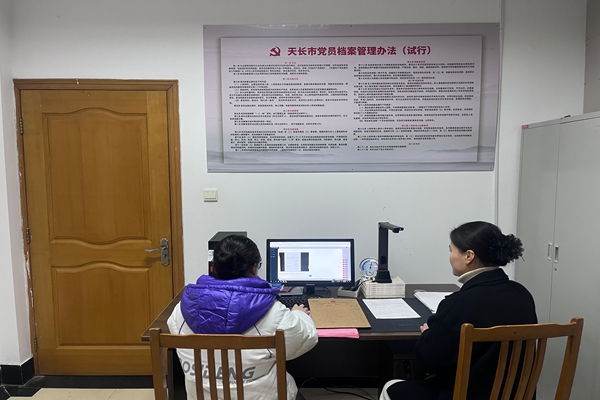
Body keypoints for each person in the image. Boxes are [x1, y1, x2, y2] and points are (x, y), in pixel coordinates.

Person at [381, 221, 537, 400]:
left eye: (451, 250)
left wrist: (428, 336)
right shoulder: (522, 294)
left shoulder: (460, 302)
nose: (450, 257)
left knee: (391, 388)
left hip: (467, 395)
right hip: (517, 395)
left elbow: (431, 362)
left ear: (469, 256)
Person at [167, 234, 318, 400]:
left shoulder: (180, 311)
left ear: (214, 267)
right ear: (253, 268)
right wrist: (298, 313)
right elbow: (306, 339)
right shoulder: (273, 312)